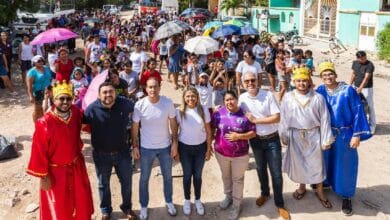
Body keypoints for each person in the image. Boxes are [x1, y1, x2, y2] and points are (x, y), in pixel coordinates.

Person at [26, 81, 94, 220]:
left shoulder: (76, 112)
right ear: (54, 99)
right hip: (56, 173)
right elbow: (39, 151)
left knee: (80, 201)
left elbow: (89, 125)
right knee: (60, 207)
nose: (65, 102)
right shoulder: (44, 122)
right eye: (61, 98)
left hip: (77, 168)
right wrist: (44, 177)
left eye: (68, 98)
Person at [317, 61, 372, 215]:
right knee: (327, 159)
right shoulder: (320, 90)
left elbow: (357, 111)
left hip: (345, 134)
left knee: (346, 165)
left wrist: (356, 135)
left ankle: (346, 196)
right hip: (327, 133)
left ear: (335, 74)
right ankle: (327, 183)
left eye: (330, 73)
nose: (328, 77)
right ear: (321, 77)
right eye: (324, 74)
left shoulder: (348, 90)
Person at [279, 67, 334, 209]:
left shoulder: (317, 98)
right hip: (295, 136)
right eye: (298, 81)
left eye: (304, 80)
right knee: (299, 164)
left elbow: (325, 119)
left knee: (317, 164)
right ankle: (302, 187)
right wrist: (284, 135)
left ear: (309, 81)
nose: (301, 83)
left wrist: (326, 139)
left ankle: (320, 190)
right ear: (294, 82)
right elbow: (284, 118)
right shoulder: (288, 97)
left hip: (314, 135)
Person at [238, 72, 290, 220]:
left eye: (252, 80)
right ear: (242, 83)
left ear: (257, 80)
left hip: (272, 139)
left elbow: (277, 117)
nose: (250, 83)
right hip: (255, 140)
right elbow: (237, 114)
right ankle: (265, 193)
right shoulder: (242, 98)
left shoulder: (267, 95)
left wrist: (256, 121)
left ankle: (280, 204)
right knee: (260, 169)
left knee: (276, 174)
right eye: (246, 81)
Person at [83, 81, 137, 220]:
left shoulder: (125, 103)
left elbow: (139, 110)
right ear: (99, 95)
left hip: (123, 152)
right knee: (103, 184)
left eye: (111, 92)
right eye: (104, 92)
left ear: (116, 93)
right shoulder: (91, 109)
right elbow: (80, 123)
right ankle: (106, 210)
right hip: (101, 155)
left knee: (126, 182)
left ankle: (127, 208)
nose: (108, 95)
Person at [132, 77, 179, 220]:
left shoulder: (167, 103)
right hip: (146, 148)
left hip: (165, 147)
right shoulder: (139, 105)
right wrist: (135, 146)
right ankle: (144, 206)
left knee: (168, 177)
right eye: (150, 87)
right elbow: (134, 128)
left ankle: (169, 202)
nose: (152, 90)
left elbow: (173, 123)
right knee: (144, 179)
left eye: (155, 87)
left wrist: (175, 143)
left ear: (160, 87)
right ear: (146, 88)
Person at [213, 90, 256, 220]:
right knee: (226, 176)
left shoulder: (245, 115)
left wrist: (239, 136)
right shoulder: (219, 114)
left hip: (240, 155)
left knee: (237, 179)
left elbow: (253, 133)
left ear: (237, 100)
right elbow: (210, 126)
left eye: (232, 99)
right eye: (226, 100)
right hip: (221, 153)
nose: (229, 102)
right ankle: (228, 196)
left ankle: (237, 205)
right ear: (223, 101)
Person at [176, 87, 213, 216]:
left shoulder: (203, 110)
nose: (190, 99)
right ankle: (187, 200)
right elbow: (175, 133)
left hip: (200, 148)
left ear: (197, 97)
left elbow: (209, 131)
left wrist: (208, 149)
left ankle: (197, 200)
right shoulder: (179, 111)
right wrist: (175, 150)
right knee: (187, 176)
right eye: (188, 96)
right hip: (184, 148)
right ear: (184, 98)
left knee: (197, 176)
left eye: (193, 96)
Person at [350, 50, 376, 133]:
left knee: (370, 106)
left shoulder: (370, 65)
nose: (363, 59)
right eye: (361, 58)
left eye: (364, 58)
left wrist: (361, 88)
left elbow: (366, 78)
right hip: (355, 86)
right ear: (358, 58)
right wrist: (350, 85)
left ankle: (372, 125)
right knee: (356, 105)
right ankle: (357, 124)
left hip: (367, 88)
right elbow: (353, 74)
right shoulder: (355, 63)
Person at [26, 55, 52, 122]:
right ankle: (37, 125)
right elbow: (29, 86)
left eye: (42, 60)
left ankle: (44, 123)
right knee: (37, 110)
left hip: (49, 90)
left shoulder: (46, 68)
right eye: (38, 61)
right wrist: (31, 96)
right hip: (38, 92)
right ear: (34, 62)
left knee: (48, 108)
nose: (41, 62)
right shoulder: (31, 72)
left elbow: (50, 78)